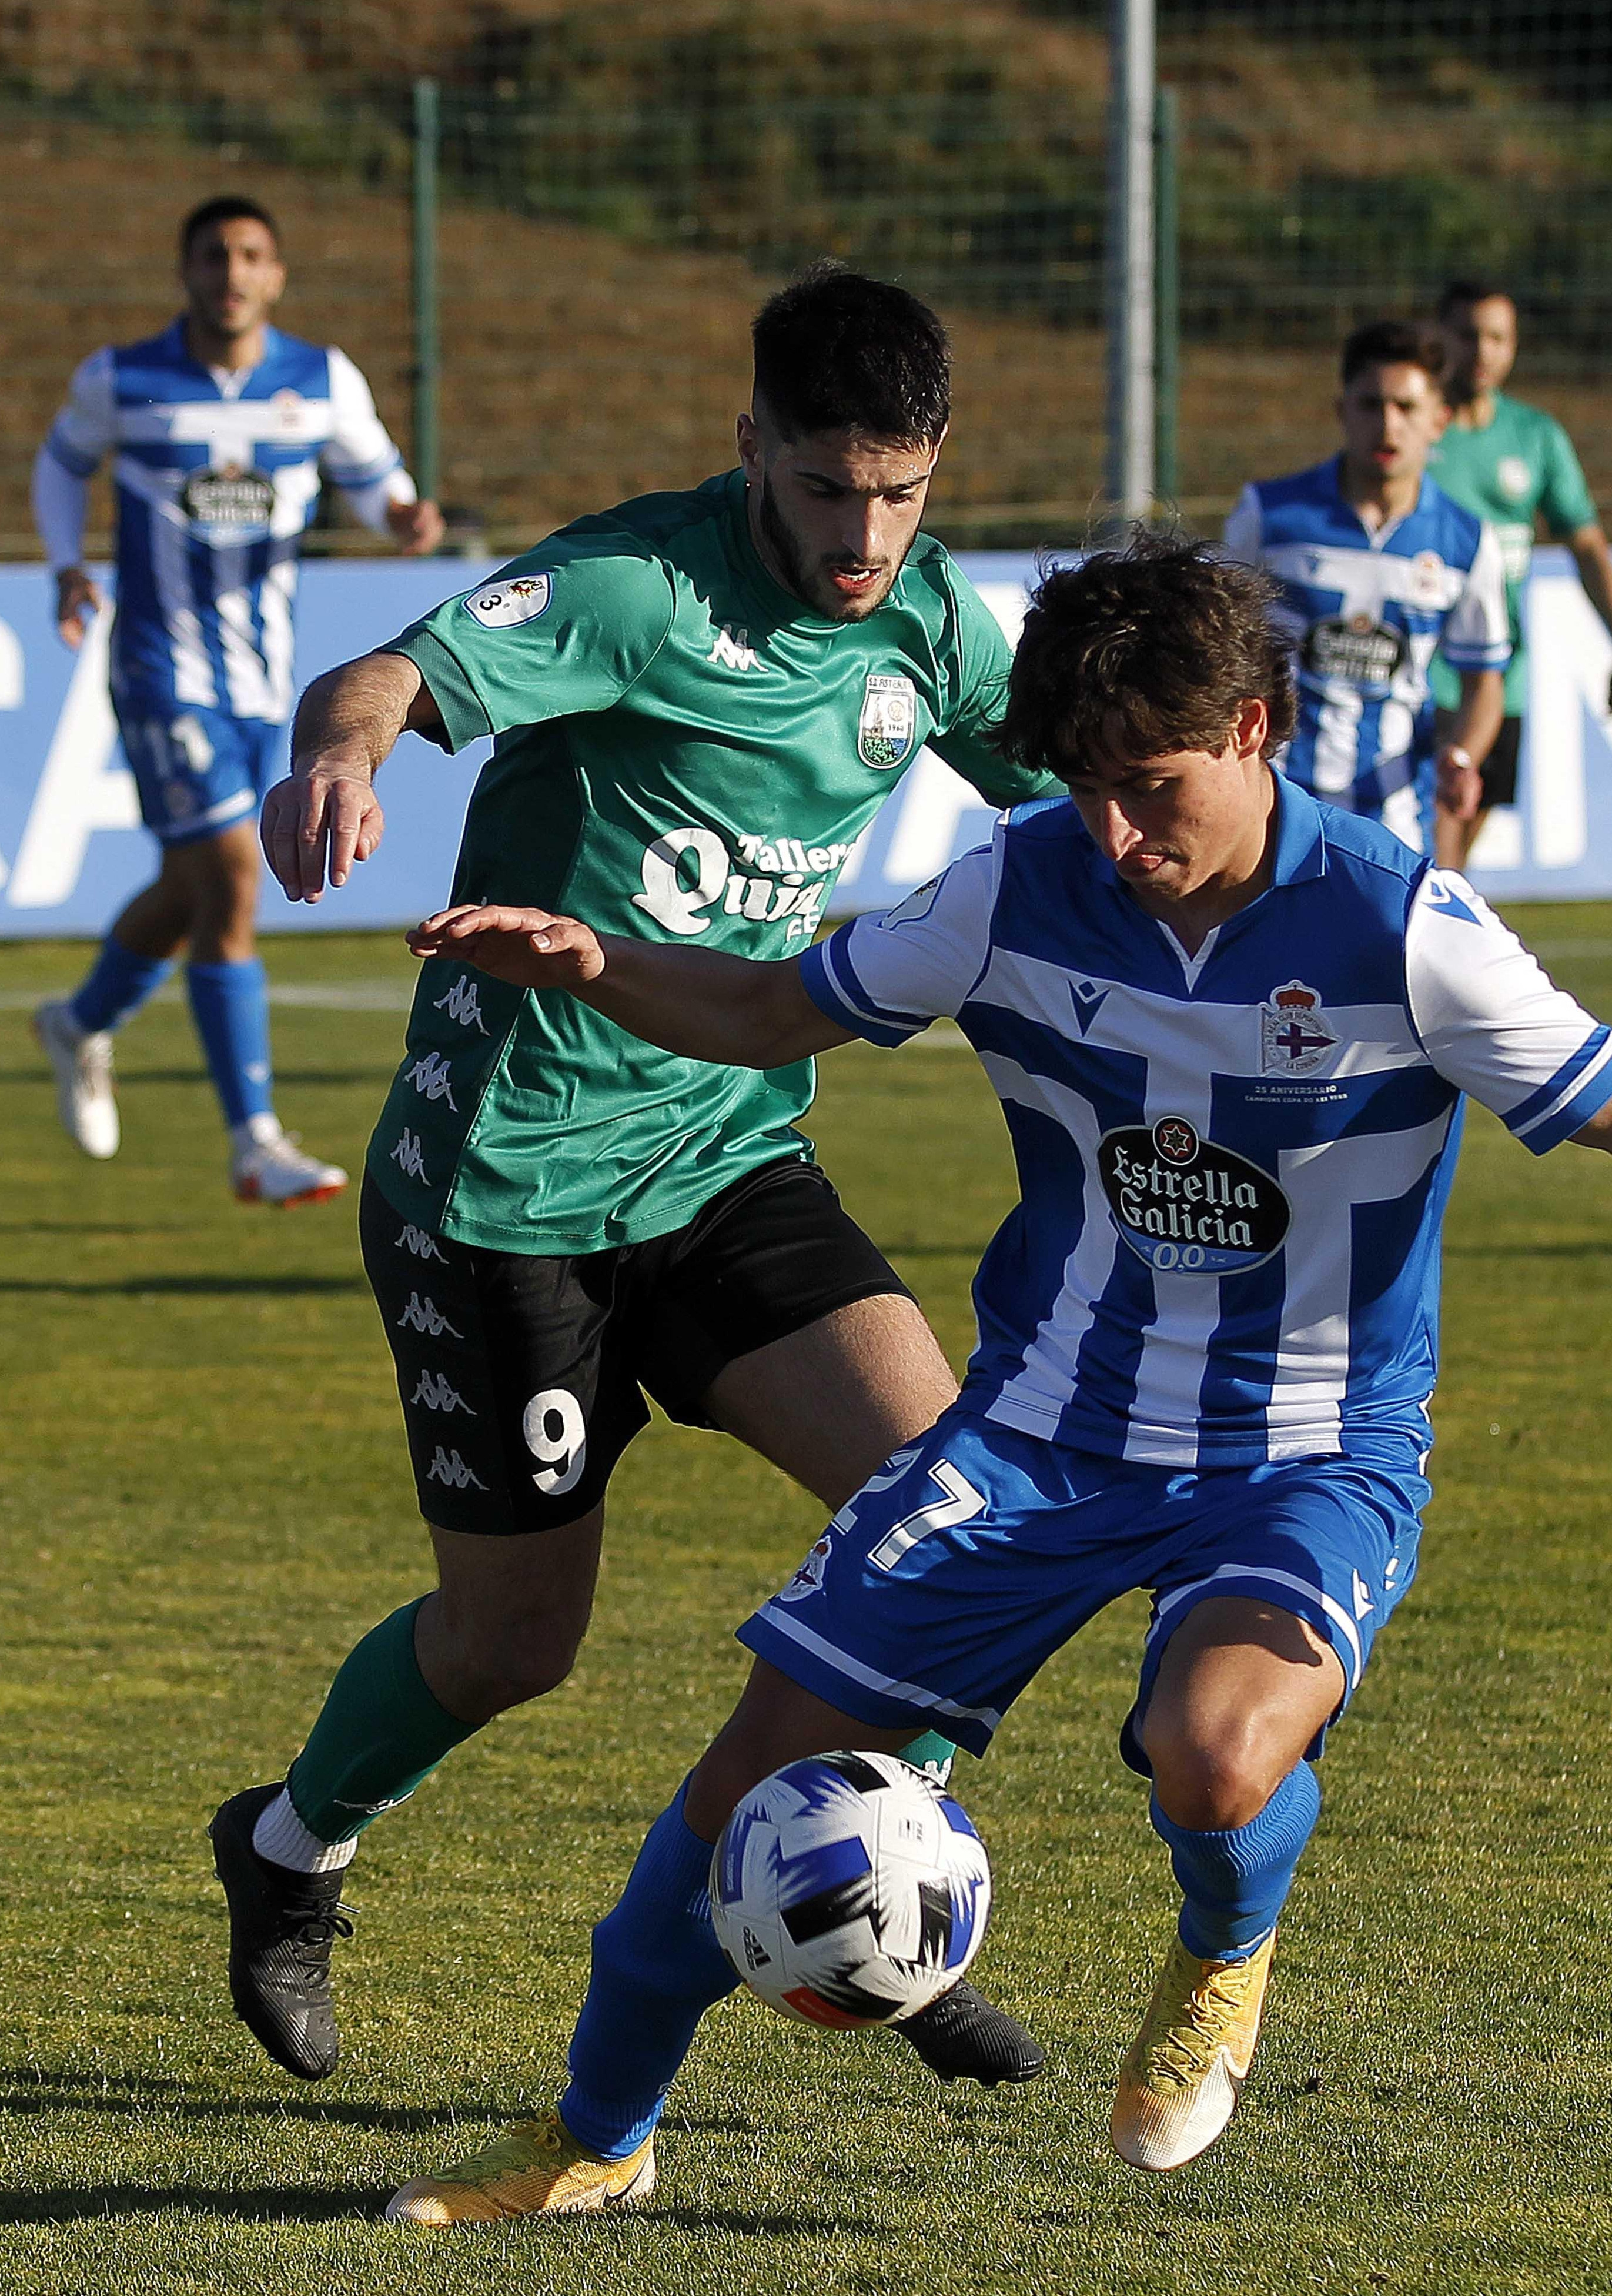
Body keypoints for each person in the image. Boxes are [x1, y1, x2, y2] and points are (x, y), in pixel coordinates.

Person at [371, 536, 1612, 2223]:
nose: (1116, 835)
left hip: (1307, 1450)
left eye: (1152, 786)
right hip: (1036, 1434)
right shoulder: (1015, 884)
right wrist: (594, 965)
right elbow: (767, 1010)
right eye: (1086, 790)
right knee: (750, 1774)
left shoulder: (1403, 930)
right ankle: (595, 2138)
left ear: (1253, 728)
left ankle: (1220, 1946)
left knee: (1209, 1753)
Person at [207, 265, 1055, 2094]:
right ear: (750, 447)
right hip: (501, 1188)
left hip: (728, 1148)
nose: (863, 534)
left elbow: (1061, 781)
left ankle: (874, 1904)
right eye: (827, 489)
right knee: (514, 1641)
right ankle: (285, 1849)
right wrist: (338, 762)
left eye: (900, 494)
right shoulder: (632, 589)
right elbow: (387, 675)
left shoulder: (930, 624)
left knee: (955, 1526)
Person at [29, 195, 443, 1202]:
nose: (232, 273)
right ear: (186, 271)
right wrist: (65, 565)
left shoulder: (319, 379)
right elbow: (60, 463)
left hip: (267, 683)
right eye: (214, 256)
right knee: (232, 878)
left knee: (197, 891)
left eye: (251, 256)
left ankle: (80, 1021)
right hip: (158, 669)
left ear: (277, 275)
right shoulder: (124, 379)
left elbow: (375, 477)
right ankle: (254, 1137)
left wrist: (401, 517)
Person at [1224, 319, 1508, 857]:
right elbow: (1216, 647)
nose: (1387, 425)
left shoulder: (1467, 542)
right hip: (1274, 800)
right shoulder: (1269, 516)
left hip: (1398, 814)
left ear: (1439, 421)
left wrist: (1463, 757)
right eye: (1370, 405)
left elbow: (1484, 679)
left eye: (1406, 408)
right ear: (1342, 412)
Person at [1428, 278, 1612, 871]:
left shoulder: (1535, 436)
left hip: (1501, 678)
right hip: (1424, 675)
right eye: (1467, 335)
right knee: (1433, 844)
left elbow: (1586, 544)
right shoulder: (1412, 431)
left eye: (1497, 337)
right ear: (1439, 338)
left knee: (1454, 856)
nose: (1482, 351)